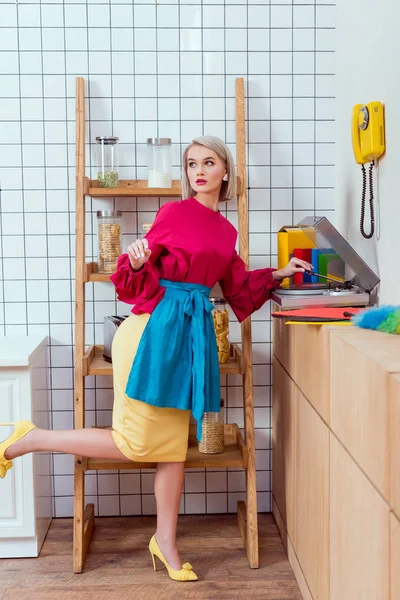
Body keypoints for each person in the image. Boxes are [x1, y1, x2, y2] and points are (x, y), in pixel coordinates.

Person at [0, 136, 312, 582]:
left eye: (208, 162)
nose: (198, 171)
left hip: (190, 337)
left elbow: (236, 285)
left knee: (170, 449)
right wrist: (139, 257)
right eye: (190, 164)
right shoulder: (173, 213)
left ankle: (164, 540)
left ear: (226, 172)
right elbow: (129, 276)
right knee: (136, 442)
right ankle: (31, 437)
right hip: (151, 332)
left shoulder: (226, 232)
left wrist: (279, 274)